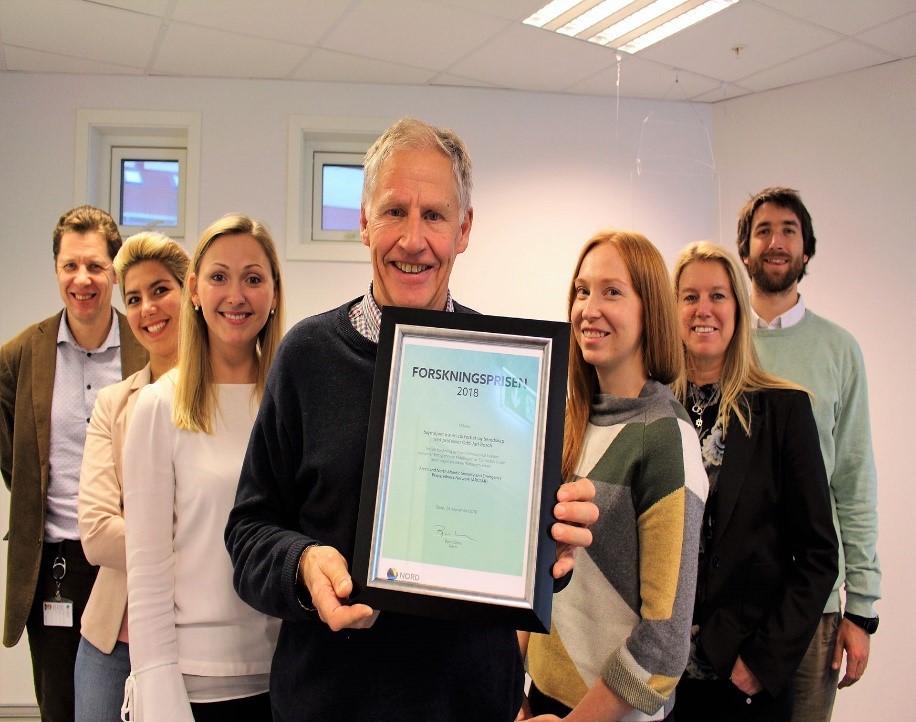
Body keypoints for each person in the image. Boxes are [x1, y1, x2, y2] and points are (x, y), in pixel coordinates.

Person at [224, 117, 598, 722]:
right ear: (364, 221)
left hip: (469, 702)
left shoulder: (511, 368)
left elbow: (521, 559)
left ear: (465, 229)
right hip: (330, 701)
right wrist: (302, 565)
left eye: (435, 216)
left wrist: (549, 551)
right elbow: (248, 532)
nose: (413, 239)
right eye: (395, 211)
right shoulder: (306, 357)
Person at [520, 230, 707, 722]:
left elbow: (664, 646)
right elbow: (535, 577)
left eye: (612, 291)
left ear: (651, 311)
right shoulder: (569, 419)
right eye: (582, 291)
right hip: (541, 703)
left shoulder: (667, 438)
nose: (589, 308)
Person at [120, 214, 284, 721]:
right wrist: (159, 695)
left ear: (274, 294)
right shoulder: (156, 408)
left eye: (253, 278)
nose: (235, 295)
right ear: (193, 289)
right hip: (194, 686)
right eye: (218, 277)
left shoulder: (290, 406)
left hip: (288, 676)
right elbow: (146, 572)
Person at [671, 241, 838, 721]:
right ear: (672, 309)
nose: (704, 309)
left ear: (738, 310)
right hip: (658, 678)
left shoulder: (784, 411)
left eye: (718, 296)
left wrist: (760, 664)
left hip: (742, 680)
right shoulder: (654, 410)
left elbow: (818, 555)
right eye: (689, 296)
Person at [736, 188, 881, 722]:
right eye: (764, 231)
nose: (776, 242)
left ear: (806, 250)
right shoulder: (716, 345)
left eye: (789, 231)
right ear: (745, 250)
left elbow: (854, 479)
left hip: (811, 608)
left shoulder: (839, 350)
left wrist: (861, 610)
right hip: (726, 601)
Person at [0, 206, 148, 722]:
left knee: (133, 700)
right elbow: (14, 455)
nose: (81, 279)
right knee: (61, 705)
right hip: (55, 565)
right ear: (57, 270)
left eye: (94, 266)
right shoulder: (22, 354)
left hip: (126, 560)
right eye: (69, 266)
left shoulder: (146, 347)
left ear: (114, 270)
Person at [74, 232, 189, 722]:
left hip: (197, 642)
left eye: (161, 290)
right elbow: (98, 535)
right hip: (111, 643)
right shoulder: (114, 404)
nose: (147, 309)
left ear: (193, 293)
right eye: (134, 298)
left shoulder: (232, 398)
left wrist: (144, 530)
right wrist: (195, 538)